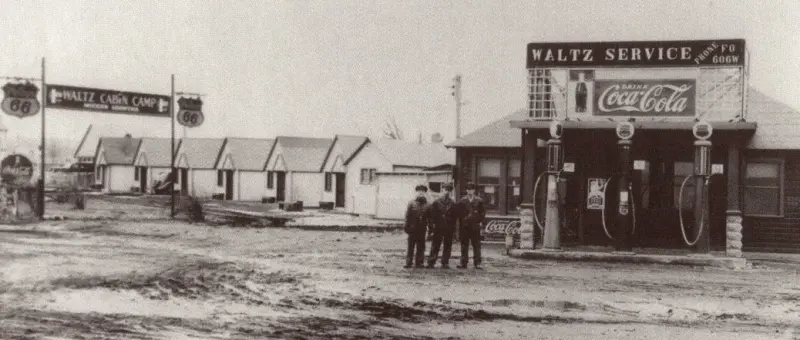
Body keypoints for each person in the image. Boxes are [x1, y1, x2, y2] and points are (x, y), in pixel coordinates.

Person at [426, 183, 457, 269]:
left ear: (450, 192)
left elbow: (454, 217)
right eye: (445, 190)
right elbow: (432, 216)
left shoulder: (452, 203)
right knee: (435, 244)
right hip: (438, 226)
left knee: (448, 245)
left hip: (448, 227)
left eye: (448, 190)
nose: (446, 192)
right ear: (442, 190)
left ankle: (445, 262)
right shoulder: (436, 202)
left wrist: (453, 228)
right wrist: (432, 227)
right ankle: (431, 262)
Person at [457, 183, 485, 269]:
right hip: (465, 226)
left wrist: (480, 222)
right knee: (464, 245)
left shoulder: (479, 200)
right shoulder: (462, 201)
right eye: (468, 189)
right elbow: (459, 214)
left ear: (474, 190)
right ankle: (463, 262)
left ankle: (477, 263)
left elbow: (482, 213)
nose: (470, 191)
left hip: (475, 226)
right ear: (466, 190)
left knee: (476, 245)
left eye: (472, 189)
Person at [404, 184, 430, 268]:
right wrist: (406, 227)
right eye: (419, 191)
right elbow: (407, 216)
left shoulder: (428, 205)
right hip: (412, 228)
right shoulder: (411, 203)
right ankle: (408, 262)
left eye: (423, 191)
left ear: (425, 193)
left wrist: (430, 230)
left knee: (421, 246)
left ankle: (419, 262)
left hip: (422, 229)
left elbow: (430, 218)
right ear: (416, 192)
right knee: (410, 246)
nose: (421, 193)